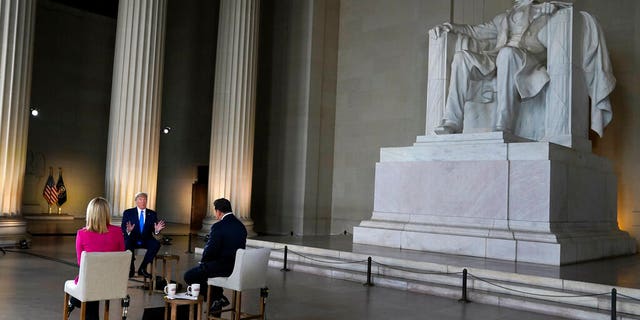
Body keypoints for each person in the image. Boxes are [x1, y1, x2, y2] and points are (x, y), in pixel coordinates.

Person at [432, 0, 560, 134]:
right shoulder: (502, 18)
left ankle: (504, 124)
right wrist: (450, 27)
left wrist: (552, 9)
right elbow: (476, 31)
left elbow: (566, 7)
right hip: (498, 57)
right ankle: (452, 121)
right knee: (461, 58)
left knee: (507, 54)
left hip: (527, 58)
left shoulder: (542, 9)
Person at [184, 198, 247, 316]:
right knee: (207, 273)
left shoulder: (218, 226)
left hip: (222, 267)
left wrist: (203, 263)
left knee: (189, 276)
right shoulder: (241, 226)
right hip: (236, 268)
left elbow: (211, 250)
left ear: (218, 211)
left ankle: (217, 298)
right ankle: (217, 299)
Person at [68, 197, 125, 320]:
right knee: (94, 283)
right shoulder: (118, 231)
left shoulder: (82, 234)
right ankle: (74, 302)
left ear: (90, 213)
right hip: (112, 281)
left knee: (90, 283)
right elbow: (120, 258)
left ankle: (74, 301)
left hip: (91, 281)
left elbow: (81, 263)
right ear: (107, 213)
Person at [121, 192, 165, 278]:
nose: (143, 201)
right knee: (127, 243)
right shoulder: (128, 212)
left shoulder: (152, 213)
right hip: (132, 238)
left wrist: (156, 231)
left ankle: (143, 268)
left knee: (156, 244)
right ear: (136, 201)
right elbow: (123, 227)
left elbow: (154, 229)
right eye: (140, 199)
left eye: (145, 199)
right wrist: (128, 230)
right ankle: (131, 268)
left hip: (146, 238)